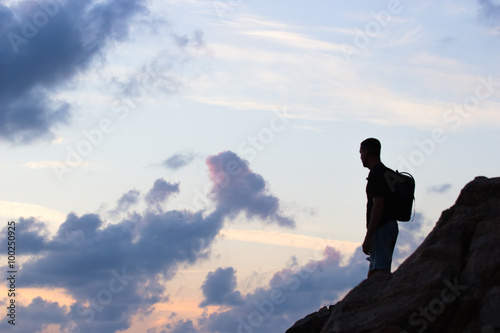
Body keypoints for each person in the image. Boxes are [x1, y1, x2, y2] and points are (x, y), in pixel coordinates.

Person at [359, 138, 399, 278]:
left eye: (361, 152)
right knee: (373, 274)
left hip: (382, 228)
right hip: (386, 228)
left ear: (366, 152)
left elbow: (378, 206)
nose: (360, 157)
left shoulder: (377, 174)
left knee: (380, 274)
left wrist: (368, 236)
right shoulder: (385, 172)